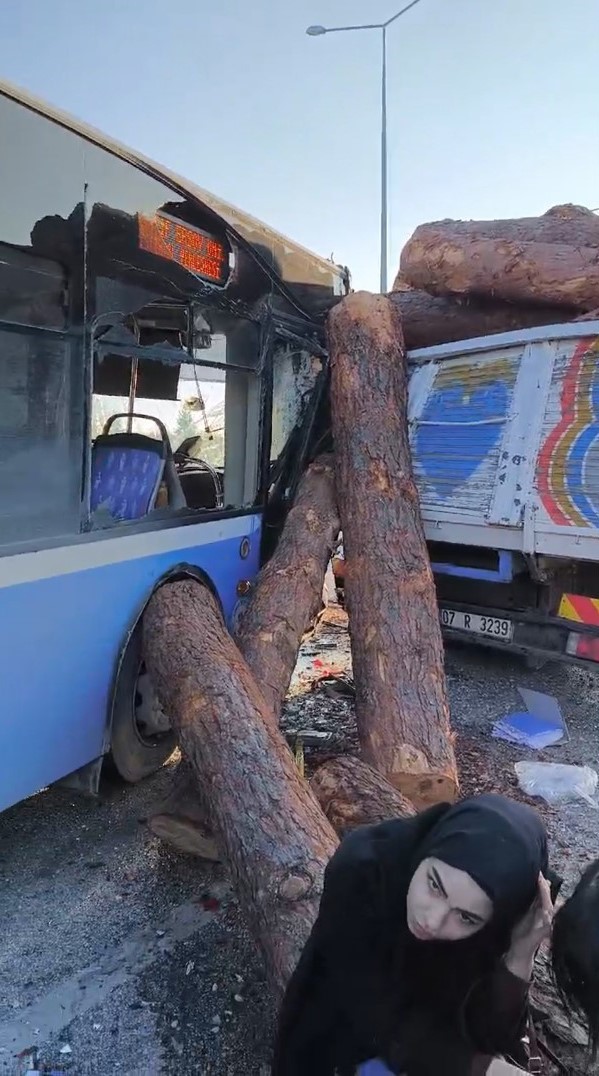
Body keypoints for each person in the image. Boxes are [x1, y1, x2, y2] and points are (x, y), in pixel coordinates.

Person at [272, 794, 561, 1076]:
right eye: (435, 885)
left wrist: (521, 953)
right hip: (343, 1023)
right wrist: (475, 1067)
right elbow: (362, 1004)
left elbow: (494, 1036)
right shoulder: (365, 870)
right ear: (430, 849)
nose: (432, 921)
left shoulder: (509, 910)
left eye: (466, 917)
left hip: (436, 1032)